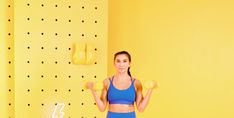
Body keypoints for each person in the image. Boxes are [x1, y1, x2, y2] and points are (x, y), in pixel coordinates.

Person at [86, 51, 157, 118]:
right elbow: (102, 108)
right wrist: (93, 90)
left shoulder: (136, 83)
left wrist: (151, 89)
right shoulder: (107, 82)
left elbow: (141, 108)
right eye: (118, 61)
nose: (121, 64)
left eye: (125, 61)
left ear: (129, 64)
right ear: (114, 63)